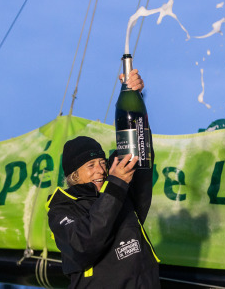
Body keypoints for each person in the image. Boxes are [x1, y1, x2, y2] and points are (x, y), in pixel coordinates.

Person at [46, 69, 160, 289]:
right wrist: (116, 185)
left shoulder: (122, 193)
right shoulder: (62, 209)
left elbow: (138, 151)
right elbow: (83, 244)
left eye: (102, 163)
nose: (100, 170)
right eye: (90, 166)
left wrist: (133, 94)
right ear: (74, 176)